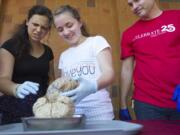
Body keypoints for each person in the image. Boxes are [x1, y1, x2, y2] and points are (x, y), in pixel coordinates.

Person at [119, 0, 180, 120]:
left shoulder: (177, 17)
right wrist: (122, 104)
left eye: (136, 1)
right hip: (146, 104)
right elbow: (126, 70)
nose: (134, 7)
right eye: (130, 4)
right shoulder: (129, 34)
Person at [53, 5, 115, 121]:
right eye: (60, 29)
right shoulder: (64, 56)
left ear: (80, 22)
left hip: (101, 114)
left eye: (69, 25)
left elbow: (109, 73)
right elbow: (65, 86)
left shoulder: (96, 42)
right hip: (74, 117)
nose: (66, 32)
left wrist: (92, 86)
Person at [0, 5, 54, 124]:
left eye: (44, 27)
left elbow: (51, 81)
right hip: (14, 107)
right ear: (27, 22)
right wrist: (16, 88)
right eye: (35, 24)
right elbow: (2, 80)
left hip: (41, 110)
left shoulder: (48, 52)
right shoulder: (10, 46)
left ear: (48, 29)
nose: (39, 30)